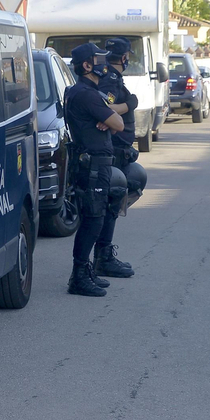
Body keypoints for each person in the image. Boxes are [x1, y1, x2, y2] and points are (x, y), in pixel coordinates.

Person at [63, 43, 126, 297]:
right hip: (91, 166)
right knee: (92, 218)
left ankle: (87, 269)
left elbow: (111, 124)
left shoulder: (83, 92)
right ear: (87, 66)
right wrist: (108, 117)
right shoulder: (87, 94)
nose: (104, 63)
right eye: (98, 59)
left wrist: (106, 118)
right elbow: (119, 123)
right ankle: (78, 276)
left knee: (97, 214)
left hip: (94, 163)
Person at [94, 37, 149, 275]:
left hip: (120, 152)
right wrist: (129, 105)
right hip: (112, 152)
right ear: (125, 57)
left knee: (119, 197)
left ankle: (102, 256)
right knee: (110, 202)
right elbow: (103, 107)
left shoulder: (111, 77)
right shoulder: (110, 79)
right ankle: (102, 258)